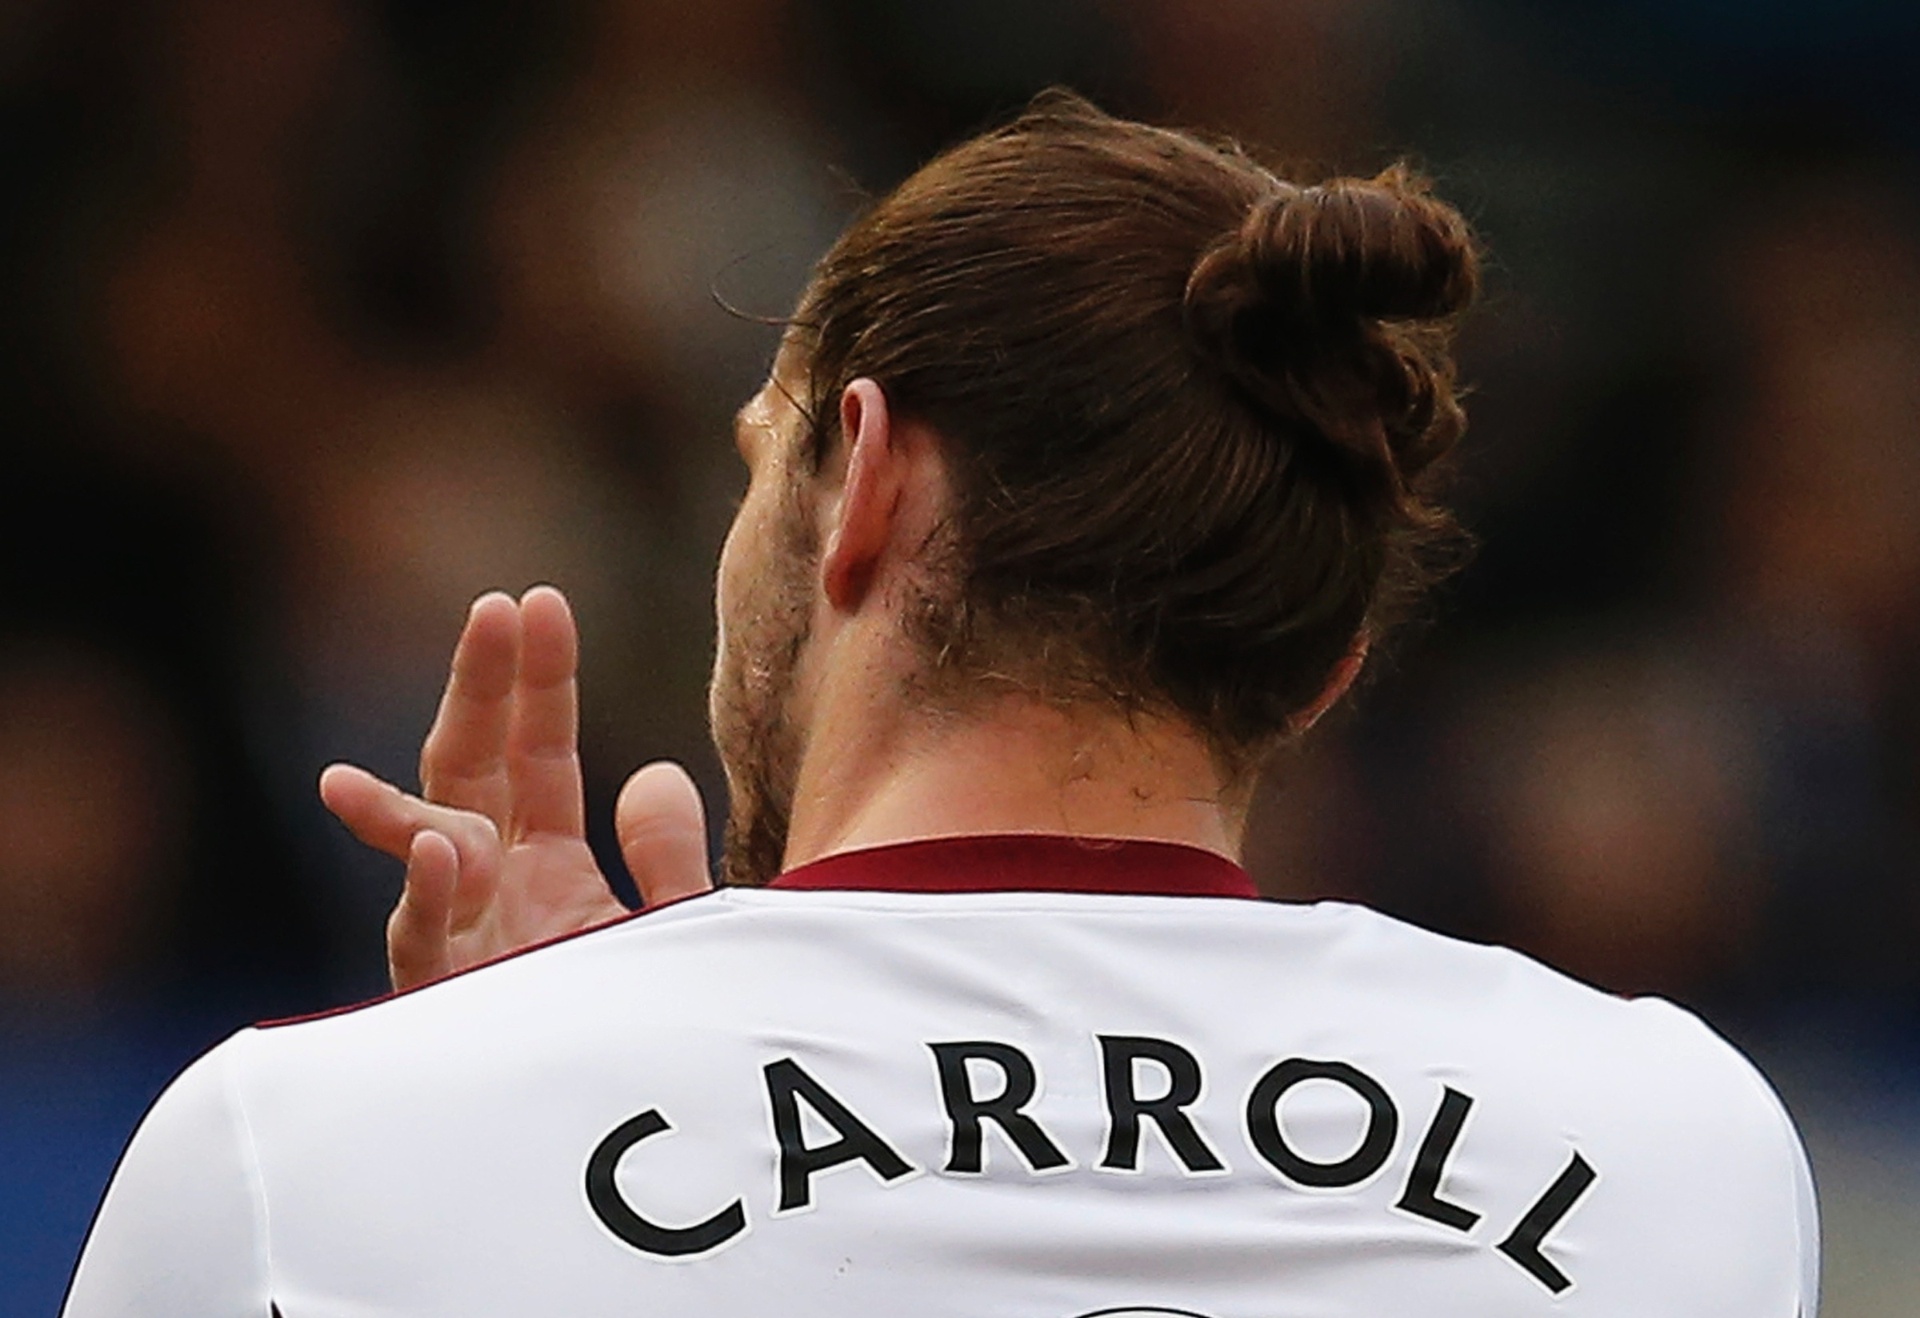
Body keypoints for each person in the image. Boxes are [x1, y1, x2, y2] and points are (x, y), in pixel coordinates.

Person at [63, 94, 1817, 1317]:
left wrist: (478, 1123)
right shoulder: (1678, 1146)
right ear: (1327, 657)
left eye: (762, 453)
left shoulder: (299, 1153)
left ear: (868, 484)